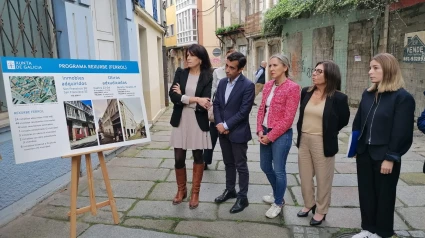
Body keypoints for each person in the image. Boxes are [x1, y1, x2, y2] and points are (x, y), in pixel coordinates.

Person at [352, 53, 415, 238]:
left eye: (375, 68)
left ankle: (383, 232)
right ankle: (368, 229)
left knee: (384, 196)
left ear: (388, 70)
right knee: (366, 193)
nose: (370, 71)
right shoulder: (368, 93)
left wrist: (391, 157)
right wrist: (355, 147)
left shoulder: (402, 97)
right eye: (370, 67)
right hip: (365, 153)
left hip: (385, 155)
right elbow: (358, 122)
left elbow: (401, 131)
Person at [296, 60, 350, 226]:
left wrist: (329, 131)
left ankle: (321, 211)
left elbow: (344, 120)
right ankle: (308, 204)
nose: (314, 73)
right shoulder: (306, 92)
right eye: (314, 70)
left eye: (319, 71)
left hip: (323, 141)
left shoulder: (339, 98)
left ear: (330, 75)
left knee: (323, 179)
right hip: (304, 139)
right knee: (305, 177)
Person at [168, 44, 213, 209]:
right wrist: (195, 99)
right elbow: (173, 96)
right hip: (180, 119)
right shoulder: (181, 73)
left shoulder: (207, 76)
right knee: (178, 157)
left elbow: (206, 102)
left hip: (197, 121)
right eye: (187, 55)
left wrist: (184, 97)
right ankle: (181, 190)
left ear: (200, 58)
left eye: (192, 55)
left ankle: (195, 193)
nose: (188, 58)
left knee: (197, 156)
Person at [256, 54, 300, 218]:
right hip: (265, 131)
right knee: (265, 166)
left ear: (285, 67)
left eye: (275, 65)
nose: (272, 69)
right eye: (270, 66)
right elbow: (261, 109)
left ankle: (278, 201)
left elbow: (288, 119)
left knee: (279, 170)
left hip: (281, 135)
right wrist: (260, 130)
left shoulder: (292, 88)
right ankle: (277, 194)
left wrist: (271, 136)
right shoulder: (267, 86)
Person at [213, 52, 255, 213]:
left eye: (232, 68)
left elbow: (244, 111)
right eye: (226, 66)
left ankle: (242, 198)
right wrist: (218, 123)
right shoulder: (223, 82)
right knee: (228, 163)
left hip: (238, 132)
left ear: (241, 69)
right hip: (222, 131)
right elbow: (216, 104)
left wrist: (226, 125)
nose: (227, 70)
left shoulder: (247, 85)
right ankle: (230, 190)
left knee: (241, 165)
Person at [203, 49, 236, 170]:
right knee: (211, 136)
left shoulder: (238, 72)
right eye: (229, 57)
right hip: (218, 107)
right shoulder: (217, 71)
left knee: (231, 138)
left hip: (231, 110)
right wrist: (211, 104)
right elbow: (213, 88)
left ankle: (232, 162)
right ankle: (205, 160)